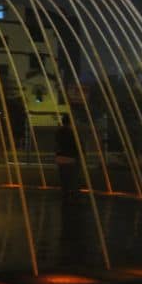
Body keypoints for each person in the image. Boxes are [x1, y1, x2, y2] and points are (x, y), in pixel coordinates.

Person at [55, 113, 81, 265]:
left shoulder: (58, 132)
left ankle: (65, 196)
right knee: (73, 179)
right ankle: (72, 198)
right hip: (70, 158)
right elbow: (77, 146)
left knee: (64, 179)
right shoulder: (71, 133)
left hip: (60, 157)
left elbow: (57, 144)